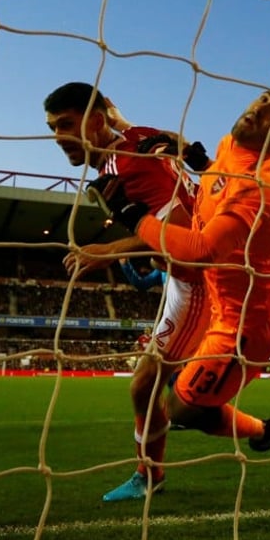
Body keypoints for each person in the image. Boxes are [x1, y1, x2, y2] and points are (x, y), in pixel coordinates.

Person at [88, 85, 270, 452]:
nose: (261, 107)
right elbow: (221, 180)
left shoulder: (263, 189)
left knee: (179, 409)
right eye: (265, 97)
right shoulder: (234, 144)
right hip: (242, 290)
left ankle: (262, 430)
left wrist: (134, 216)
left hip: (241, 326)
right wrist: (192, 155)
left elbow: (201, 250)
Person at [46, 81, 210, 503]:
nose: (59, 138)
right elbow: (116, 113)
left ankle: (149, 475)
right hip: (180, 276)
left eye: (66, 124)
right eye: (52, 128)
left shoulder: (131, 165)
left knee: (153, 388)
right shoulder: (134, 136)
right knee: (151, 388)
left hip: (199, 279)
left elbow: (180, 233)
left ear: (96, 121)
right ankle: (152, 470)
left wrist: (108, 251)